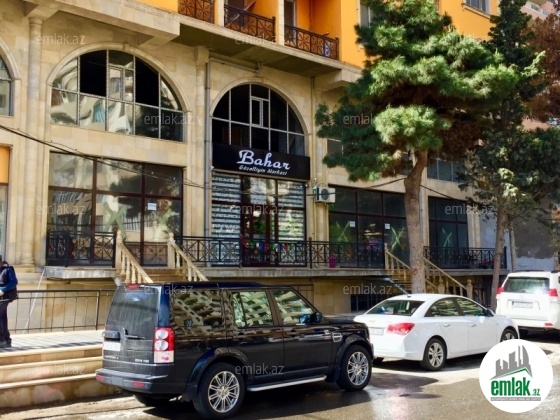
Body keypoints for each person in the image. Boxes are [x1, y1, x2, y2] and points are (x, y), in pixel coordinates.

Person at [0, 261, 18, 349]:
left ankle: (2, 340)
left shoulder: (7, 269)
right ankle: (6, 340)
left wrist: (2, 289)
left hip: (5, 297)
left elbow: (14, 282)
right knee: (2, 318)